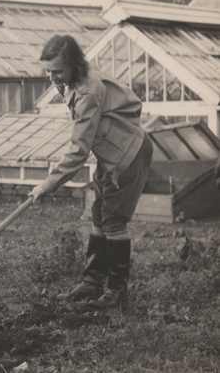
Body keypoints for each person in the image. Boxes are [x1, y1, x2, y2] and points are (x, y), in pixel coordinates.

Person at [28, 35, 153, 309]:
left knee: (114, 220)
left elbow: (78, 151)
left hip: (128, 154)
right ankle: (92, 282)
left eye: (58, 71)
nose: (52, 78)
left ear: (74, 64)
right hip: (109, 153)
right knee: (99, 213)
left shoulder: (88, 92)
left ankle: (116, 294)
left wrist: (46, 185)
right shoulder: (74, 80)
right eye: (48, 71)